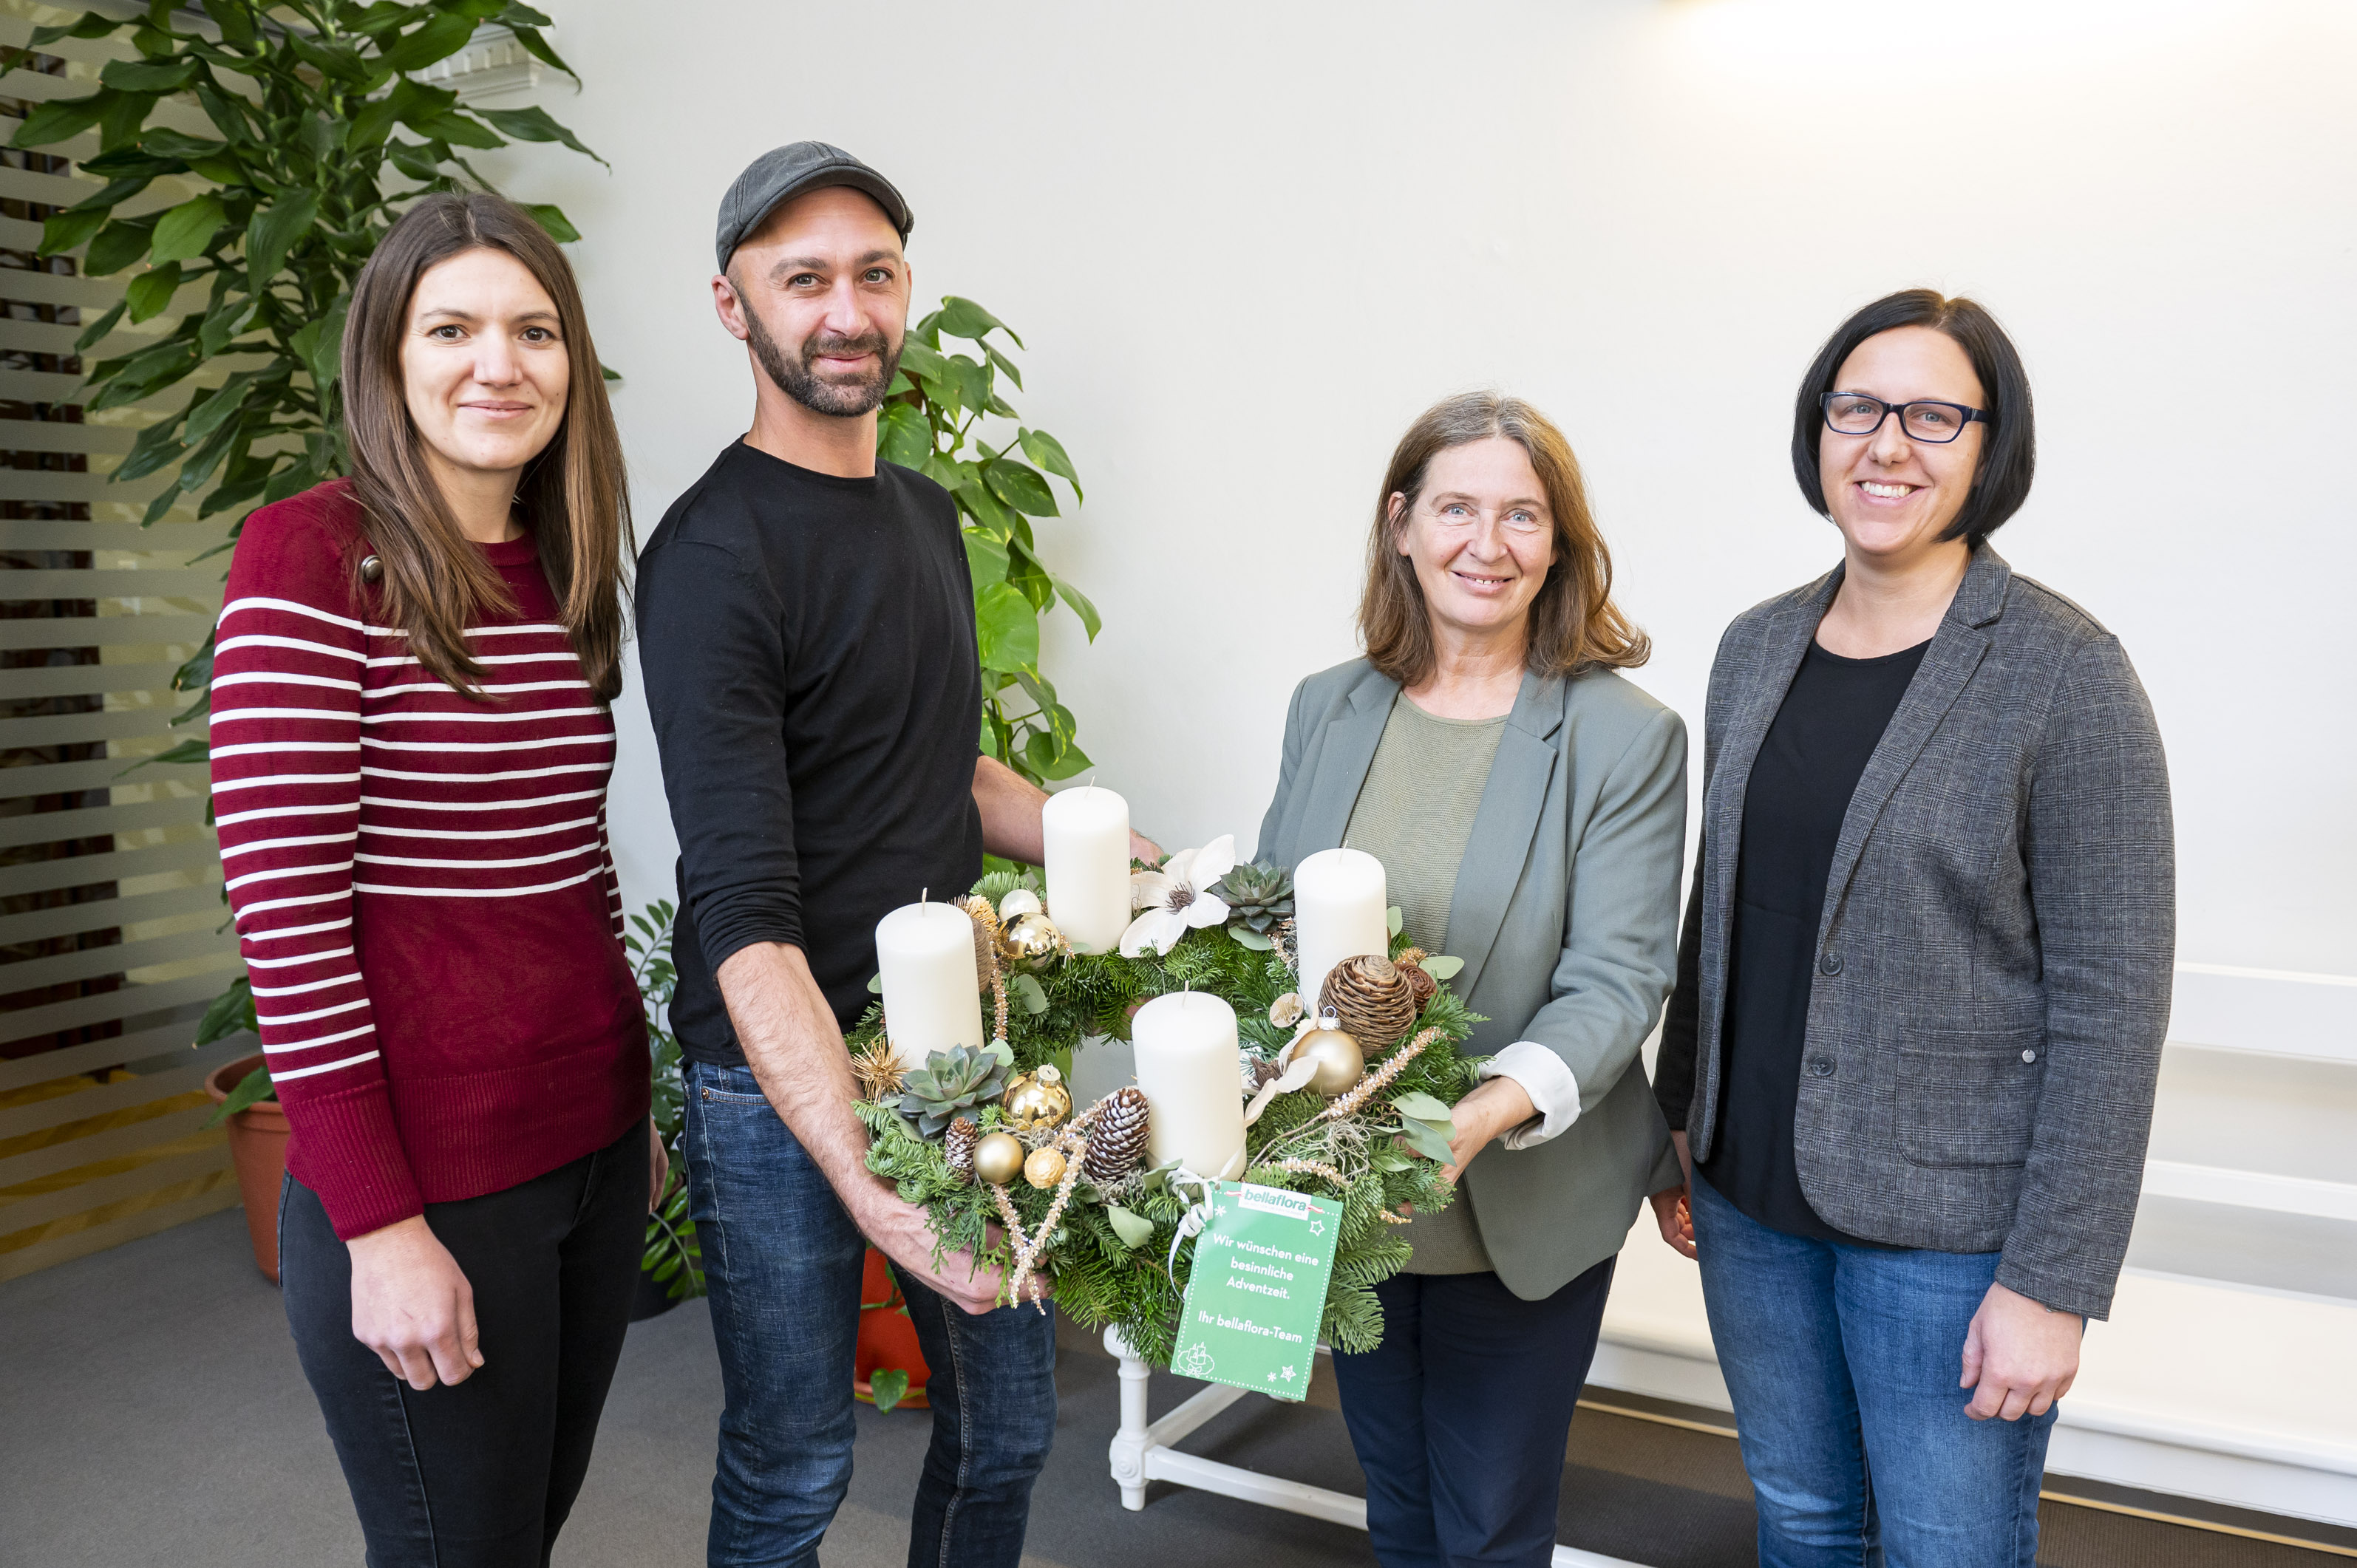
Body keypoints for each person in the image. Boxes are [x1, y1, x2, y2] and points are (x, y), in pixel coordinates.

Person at [634, 143, 1157, 1568]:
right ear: (734, 308)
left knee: (1007, 1434)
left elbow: (954, 771)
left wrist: (1139, 863)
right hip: (771, 1065)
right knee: (796, 1460)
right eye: (802, 279)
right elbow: (741, 912)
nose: (844, 310)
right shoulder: (711, 554)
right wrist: (862, 1174)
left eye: (872, 274)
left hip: (954, 1050)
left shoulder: (926, 515)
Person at [1648, 289, 2174, 1567]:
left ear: (1991, 446)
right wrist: (1676, 1122)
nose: (1888, 444)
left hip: (1944, 1234)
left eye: (1934, 415)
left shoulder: (2064, 669)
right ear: (1816, 431)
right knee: (1805, 1521)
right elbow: (1722, 902)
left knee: (1946, 1547)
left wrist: (2051, 1281)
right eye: (1857, 409)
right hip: (1747, 1195)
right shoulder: (1754, 646)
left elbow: (2111, 1002)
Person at [212, 192, 654, 1565]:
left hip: (582, 1144)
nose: (496, 363)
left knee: (522, 1530)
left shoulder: (563, 566)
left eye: (533, 330)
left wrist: (625, 1121)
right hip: (432, 1174)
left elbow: (570, 872)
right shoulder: (311, 554)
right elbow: (286, 924)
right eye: (450, 327)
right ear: (387, 358)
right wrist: (379, 1228)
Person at [1256, 392, 1688, 1568]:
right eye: (1456, 508)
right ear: (1401, 523)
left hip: (1517, 1200)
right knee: (1395, 1503)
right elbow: (1266, 926)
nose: (1485, 546)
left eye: (1521, 516)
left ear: (1559, 545)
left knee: (1490, 1525)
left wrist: (1480, 1111)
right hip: (1349, 1196)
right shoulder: (1326, 706)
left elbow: (1617, 975)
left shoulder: (1621, 735)